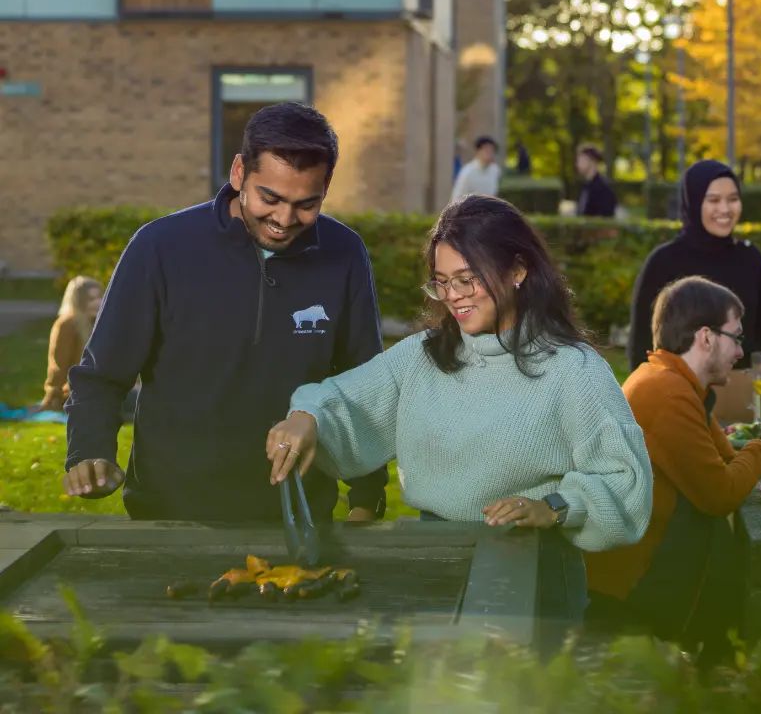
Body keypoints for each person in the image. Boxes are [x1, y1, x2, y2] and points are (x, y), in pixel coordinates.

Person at [264, 194, 653, 642]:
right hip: (431, 562)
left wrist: (555, 507)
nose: (453, 296)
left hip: (533, 570)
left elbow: (625, 480)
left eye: (467, 279)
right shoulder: (422, 357)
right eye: (442, 282)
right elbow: (344, 400)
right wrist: (306, 414)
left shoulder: (573, 370)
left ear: (518, 270)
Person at [62, 102, 389, 523]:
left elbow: (363, 383)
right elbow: (101, 375)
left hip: (299, 517)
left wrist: (367, 498)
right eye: (270, 198)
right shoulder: (160, 247)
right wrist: (90, 452)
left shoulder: (344, 253)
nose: (285, 219)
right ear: (238, 173)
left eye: (307, 204)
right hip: (168, 513)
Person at [587, 276, 761, 659]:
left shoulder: (672, 381)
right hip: (630, 589)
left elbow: (727, 457)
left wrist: (753, 454)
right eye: (736, 337)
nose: (740, 353)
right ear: (707, 337)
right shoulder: (667, 394)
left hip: (642, 569)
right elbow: (720, 494)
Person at [628, 159, 761, 374]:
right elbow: (642, 342)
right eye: (714, 200)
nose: (725, 209)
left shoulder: (750, 258)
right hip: (678, 394)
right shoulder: (664, 262)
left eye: (733, 199)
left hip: (741, 394)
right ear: (695, 202)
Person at [38, 276, 102, 412]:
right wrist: (53, 396)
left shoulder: (98, 323)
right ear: (78, 302)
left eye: (99, 297)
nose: (98, 302)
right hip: (76, 393)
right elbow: (58, 365)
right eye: (91, 299)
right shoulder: (66, 325)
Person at [450, 135, 501, 200]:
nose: (490, 154)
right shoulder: (467, 171)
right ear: (478, 151)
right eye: (486, 150)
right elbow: (457, 198)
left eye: (492, 150)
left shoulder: (495, 170)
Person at [575, 144, 617, 218]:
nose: (577, 164)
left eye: (581, 160)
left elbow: (606, 218)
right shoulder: (586, 187)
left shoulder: (603, 188)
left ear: (592, 161)